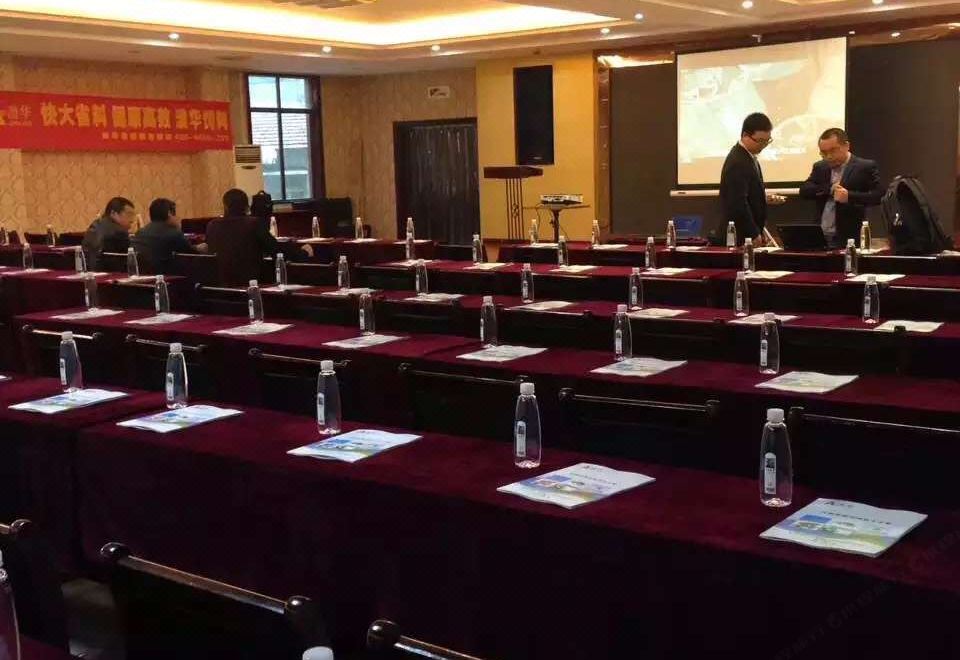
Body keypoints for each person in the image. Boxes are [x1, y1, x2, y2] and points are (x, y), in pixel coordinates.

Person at [206, 189, 312, 285]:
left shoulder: (212, 225)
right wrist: (303, 253)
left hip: (220, 284)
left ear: (225, 206)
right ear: (247, 207)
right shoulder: (253, 224)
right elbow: (275, 250)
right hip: (251, 283)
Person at [799, 128, 882, 248]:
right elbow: (805, 190)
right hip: (821, 235)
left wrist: (849, 196)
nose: (828, 156)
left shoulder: (864, 167)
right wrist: (829, 189)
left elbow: (878, 195)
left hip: (849, 238)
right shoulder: (820, 167)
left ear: (846, 146)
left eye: (833, 151)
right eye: (824, 153)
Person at [719, 113, 786, 244]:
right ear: (745, 135)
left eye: (767, 141)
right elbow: (738, 202)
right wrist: (753, 233)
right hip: (740, 236)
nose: (763, 145)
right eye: (760, 141)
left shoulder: (749, 156)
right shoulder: (738, 161)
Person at [131, 198, 205, 274]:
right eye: (175, 214)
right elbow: (191, 253)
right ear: (169, 213)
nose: (177, 217)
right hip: (165, 276)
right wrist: (199, 248)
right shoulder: (173, 233)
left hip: (141, 274)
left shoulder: (140, 232)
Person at [81, 197, 135, 270]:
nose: (132, 220)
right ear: (113, 213)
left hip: (88, 271)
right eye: (129, 214)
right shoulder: (119, 232)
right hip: (109, 272)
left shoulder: (95, 225)